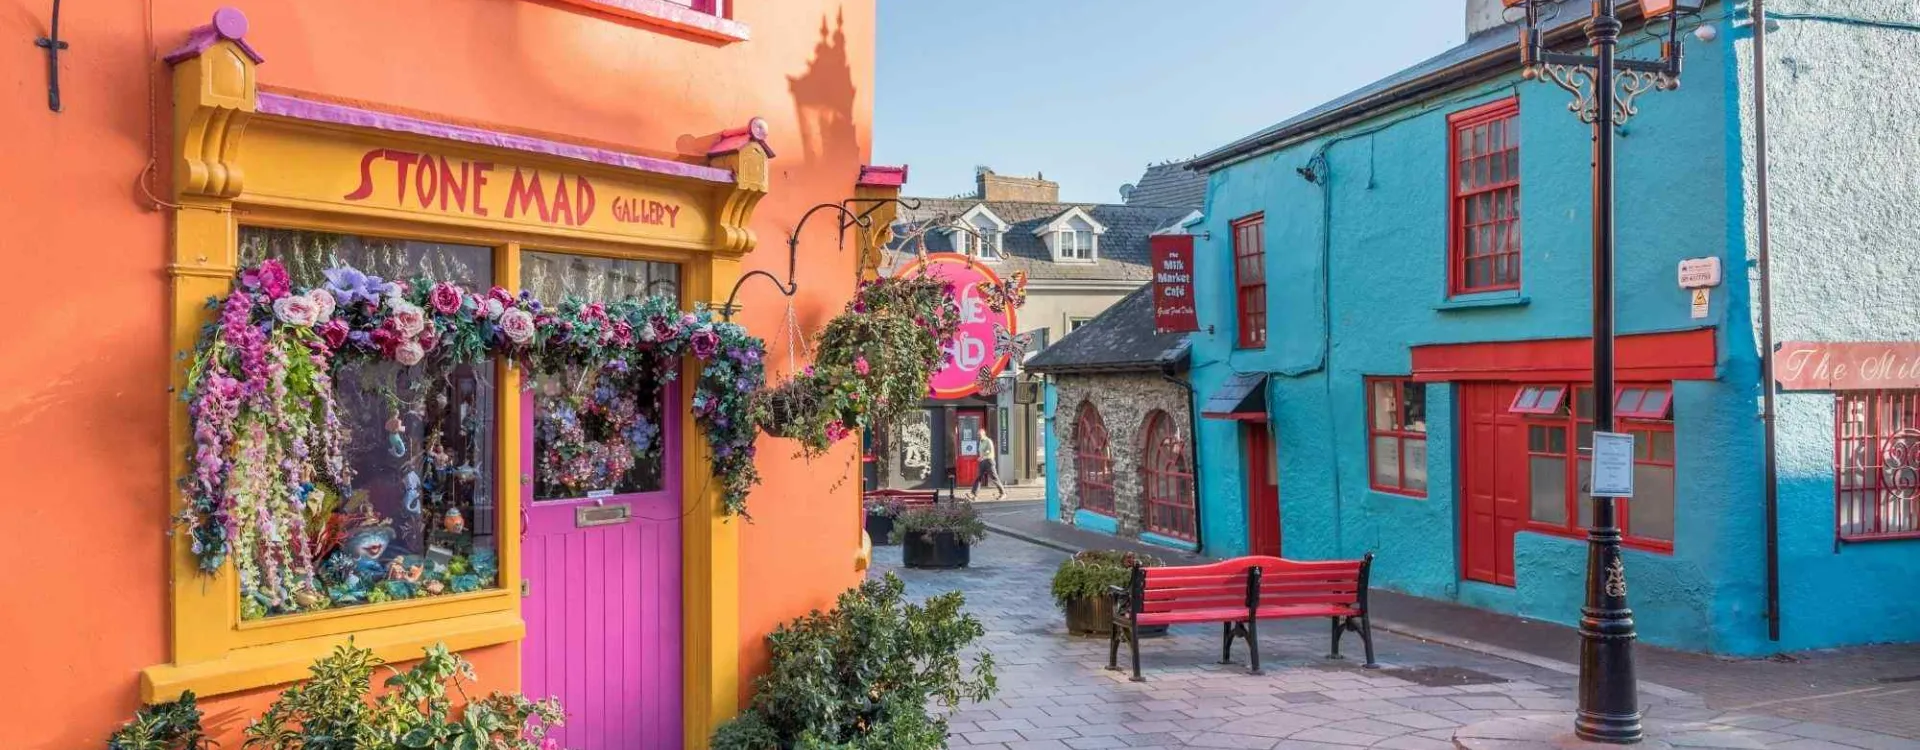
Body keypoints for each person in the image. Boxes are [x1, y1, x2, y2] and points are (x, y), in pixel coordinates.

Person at [970, 427, 1005, 500]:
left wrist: (982, 456)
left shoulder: (988, 441)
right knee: (978, 477)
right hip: (982, 462)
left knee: (994, 478)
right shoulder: (981, 442)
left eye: (980, 434)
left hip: (989, 461)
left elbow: (989, 450)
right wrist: (980, 457)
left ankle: (1003, 493)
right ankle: (974, 495)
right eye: (978, 435)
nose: (978, 436)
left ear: (984, 434)